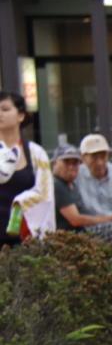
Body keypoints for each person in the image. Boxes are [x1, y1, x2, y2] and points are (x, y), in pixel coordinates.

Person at [0, 89, 54, 245]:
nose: (0, 114)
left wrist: (21, 202)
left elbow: (46, 194)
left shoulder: (36, 153)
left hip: (25, 237)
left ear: (20, 115)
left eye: (5, 109)